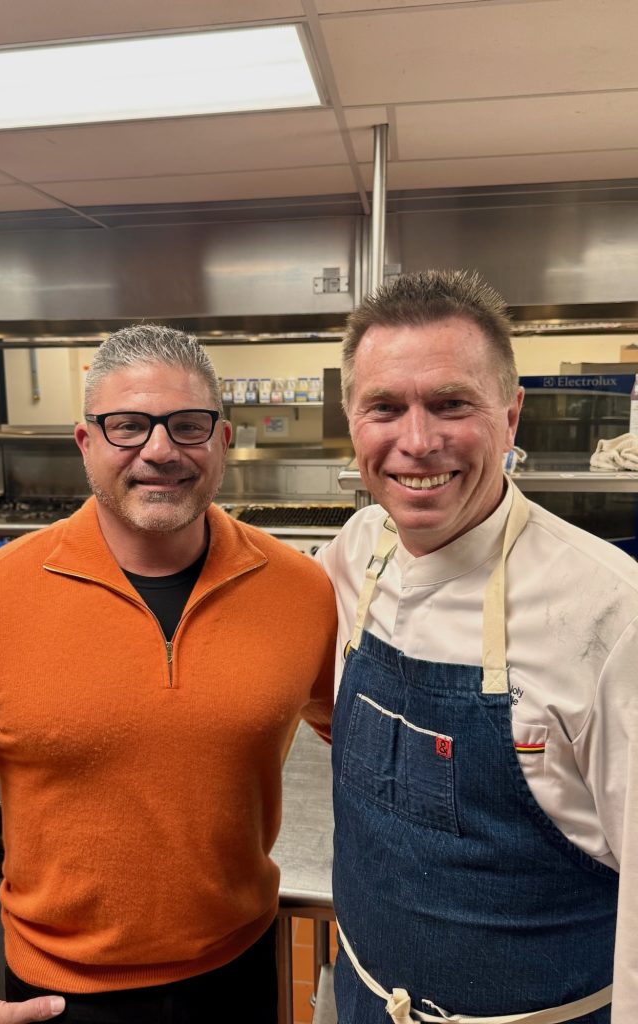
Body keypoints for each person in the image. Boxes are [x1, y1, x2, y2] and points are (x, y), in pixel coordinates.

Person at [0, 324, 337, 1024]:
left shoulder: (301, 591)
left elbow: (365, 742)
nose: (160, 450)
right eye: (128, 426)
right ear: (86, 443)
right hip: (60, 993)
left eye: (188, 425)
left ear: (222, 440)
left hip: (240, 973)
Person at [317, 270, 638, 1024]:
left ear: (510, 415)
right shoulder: (355, 552)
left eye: (451, 404)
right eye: (384, 408)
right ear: (353, 421)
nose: (417, 442)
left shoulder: (611, 612)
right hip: (364, 998)